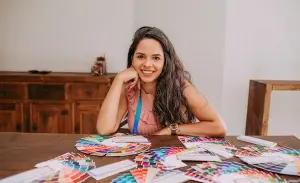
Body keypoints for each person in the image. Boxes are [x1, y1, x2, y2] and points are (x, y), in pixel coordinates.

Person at [96, 26, 226, 137]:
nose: (147, 64)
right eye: (141, 56)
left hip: (173, 160)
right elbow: (104, 129)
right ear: (132, 58)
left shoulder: (181, 87)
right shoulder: (129, 87)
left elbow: (219, 127)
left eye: (156, 58)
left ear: (165, 61)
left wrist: (171, 129)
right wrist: (118, 79)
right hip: (142, 160)